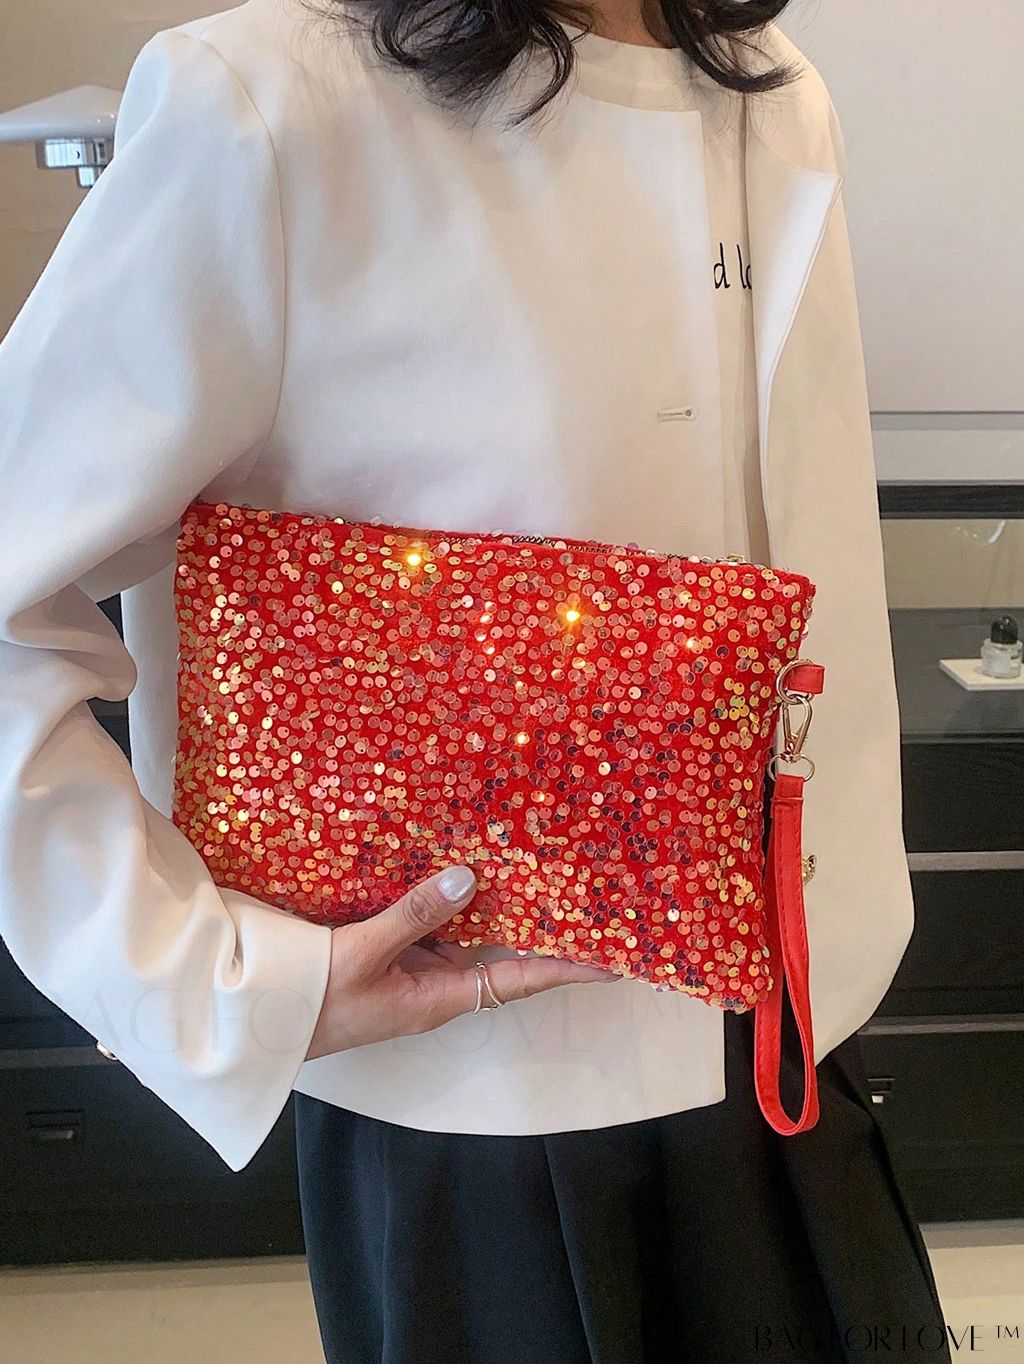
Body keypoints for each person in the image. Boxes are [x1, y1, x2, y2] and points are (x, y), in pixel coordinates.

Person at [0, 0, 952, 1360]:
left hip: (799, 1052)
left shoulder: (772, 92)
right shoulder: (271, 103)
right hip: (484, 1114)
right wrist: (201, 976)